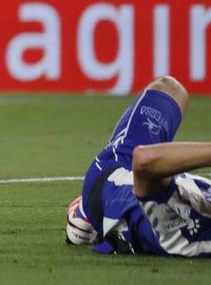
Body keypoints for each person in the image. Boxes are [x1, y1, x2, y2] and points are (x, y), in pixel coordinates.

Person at [65, 75, 211, 257]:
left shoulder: (180, 232)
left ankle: (87, 214)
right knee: (172, 90)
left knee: (170, 90)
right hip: (143, 181)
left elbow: (144, 161)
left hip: (112, 181)